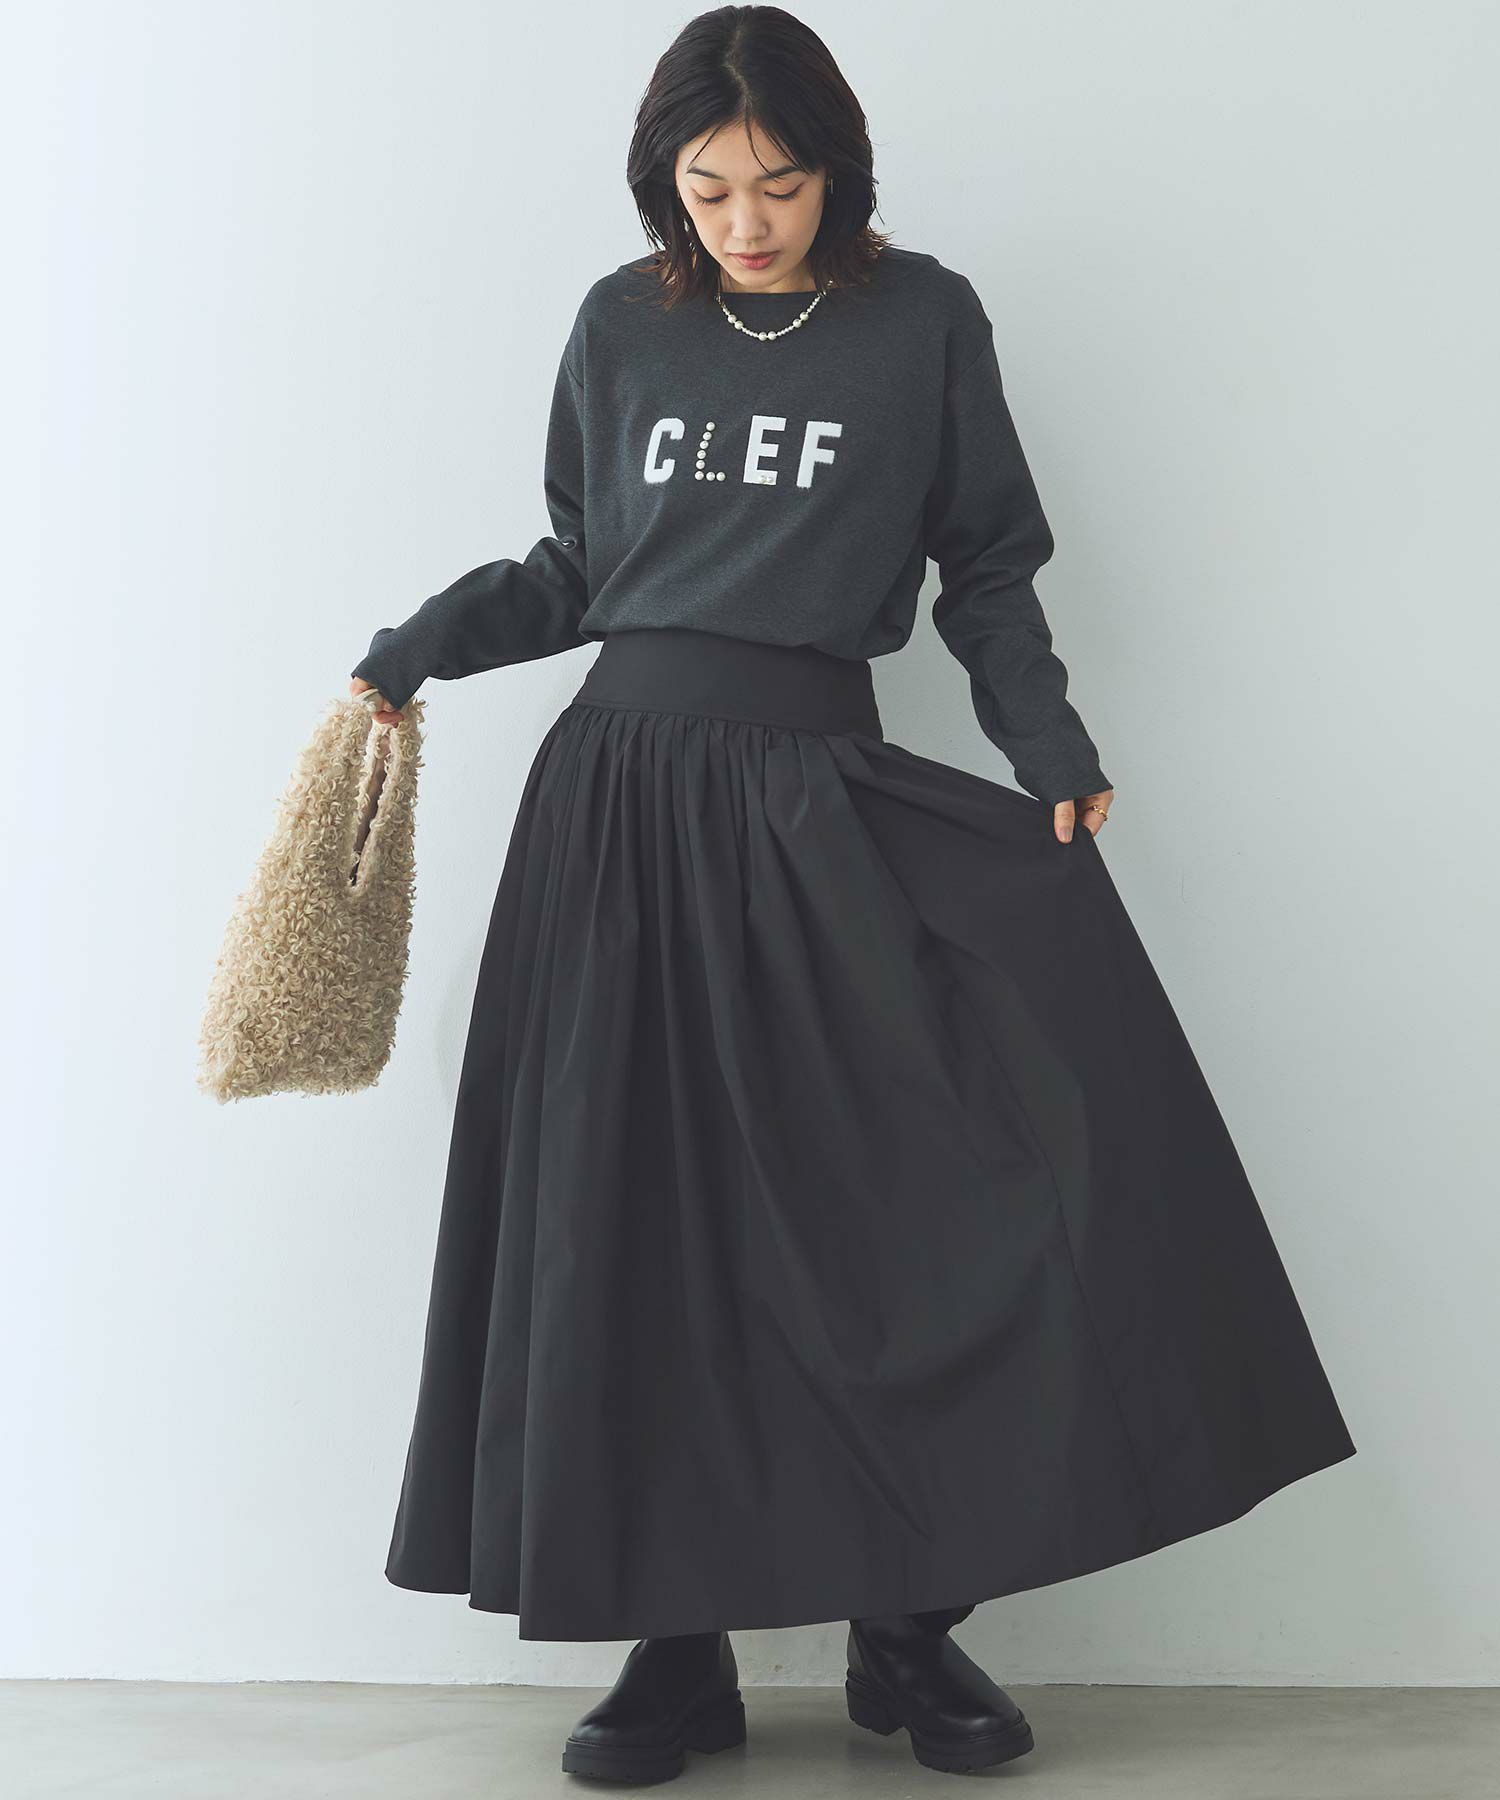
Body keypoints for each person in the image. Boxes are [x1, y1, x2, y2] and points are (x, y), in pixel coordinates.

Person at [348, 5, 1357, 1783]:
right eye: (708, 187)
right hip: (617, 812)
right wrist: (420, 645)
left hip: (818, 804)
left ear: (839, 168)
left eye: (780, 182)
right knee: (638, 1225)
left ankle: (906, 1624)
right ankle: (676, 1654)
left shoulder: (922, 321)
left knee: (887, 1212)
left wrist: (1046, 741)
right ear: (665, 183)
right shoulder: (621, 321)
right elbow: (581, 564)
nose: (745, 220)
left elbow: (989, 564)